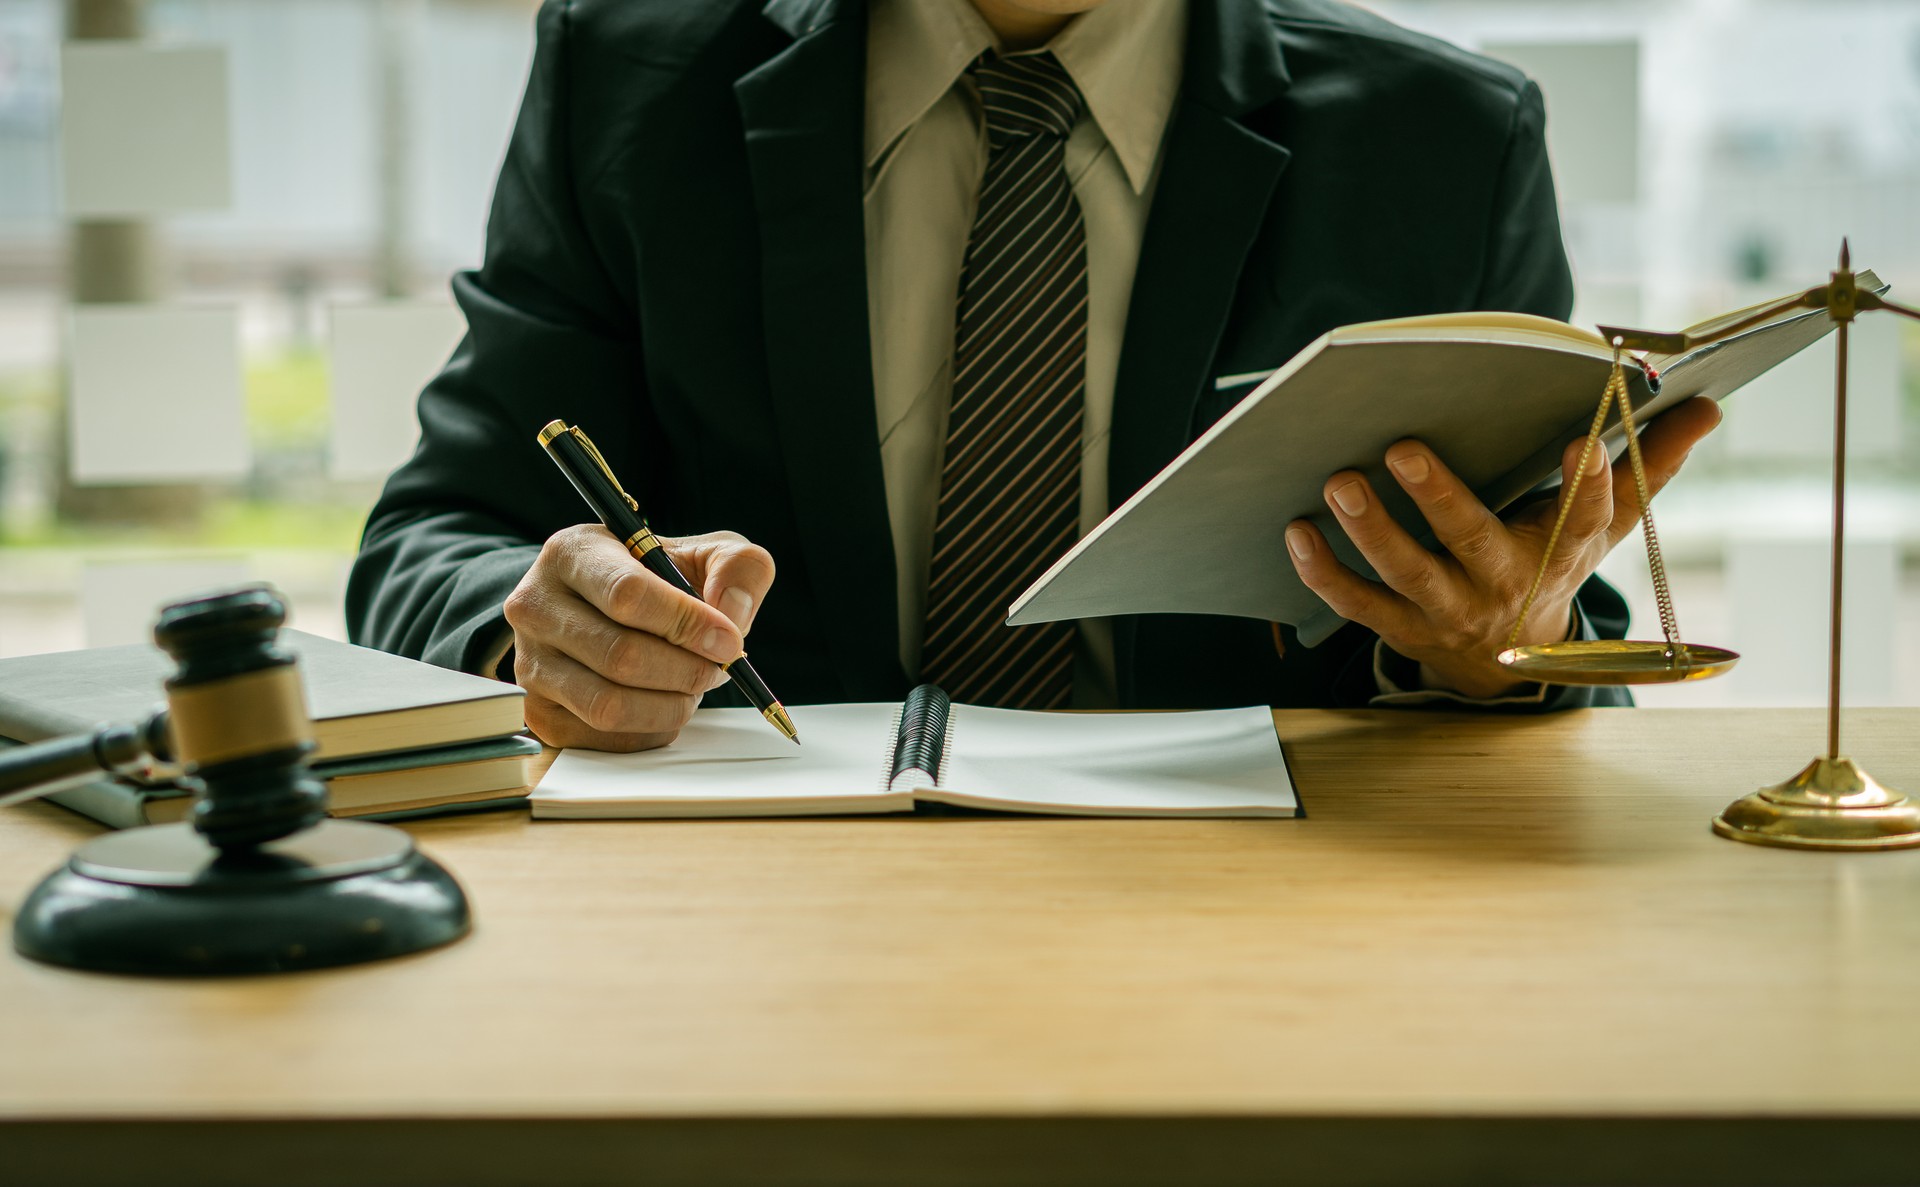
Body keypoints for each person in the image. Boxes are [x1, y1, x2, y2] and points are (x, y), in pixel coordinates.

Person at [347, 0, 1720, 751]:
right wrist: (546, 629)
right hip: (751, 896)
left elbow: (1548, 608)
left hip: (1277, 918)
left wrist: (1489, 650)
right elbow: (433, 541)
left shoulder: (1441, 140)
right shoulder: (623, 75)